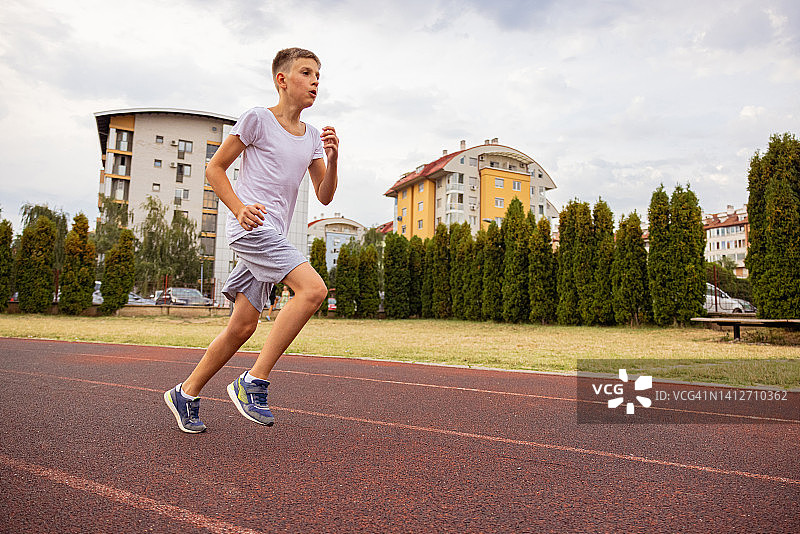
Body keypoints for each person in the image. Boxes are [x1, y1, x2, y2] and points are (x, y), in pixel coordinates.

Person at [164, 48, 338, 432]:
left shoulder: (311, 136)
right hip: (252, 228)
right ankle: (253, 382)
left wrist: (333, 158)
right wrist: (239, 208)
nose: (315, 82)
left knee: (243, 327)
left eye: (318, 76)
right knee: (312, 291)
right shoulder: (258, 119)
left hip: (274, 233)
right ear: (282, 79)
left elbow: (324, 195)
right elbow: (215, 168)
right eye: (306, 73)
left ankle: (186, 392)